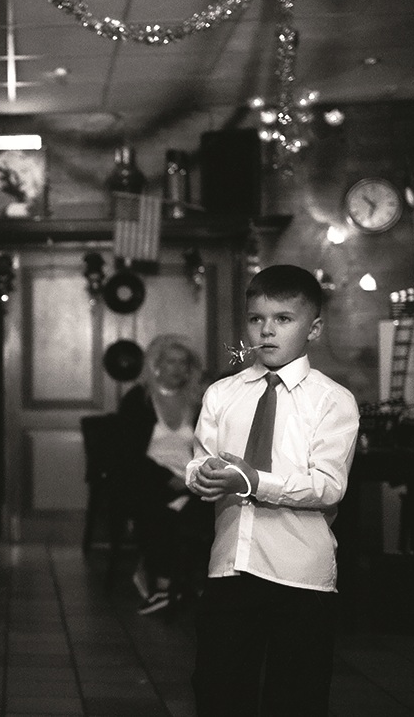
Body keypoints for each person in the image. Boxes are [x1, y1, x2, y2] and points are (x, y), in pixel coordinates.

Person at [186, 265, 359, 716]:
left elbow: (328, 486)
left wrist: (254, 481)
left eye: (283, 319)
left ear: (313, 328)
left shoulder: (332, 400)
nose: (267, 330)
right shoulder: (222, 394)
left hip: (299, 574)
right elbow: (200, 457)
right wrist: (201, 475)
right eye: (256, 319)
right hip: (231, 565)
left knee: (295, 697)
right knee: (218, 689)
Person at [117, 334, 211, 616]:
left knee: (207, 512)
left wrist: (191, 479)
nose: (178, 368)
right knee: (157, 511)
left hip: (191, 478)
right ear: (157, 365)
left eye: (184, 363)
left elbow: (209, 448)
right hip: (149, 479)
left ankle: (191, 584)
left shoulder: (197, 401)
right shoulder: (139, 399)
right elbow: (128, 455)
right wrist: (167, 480)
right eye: (171, 362)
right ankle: (162, 586)